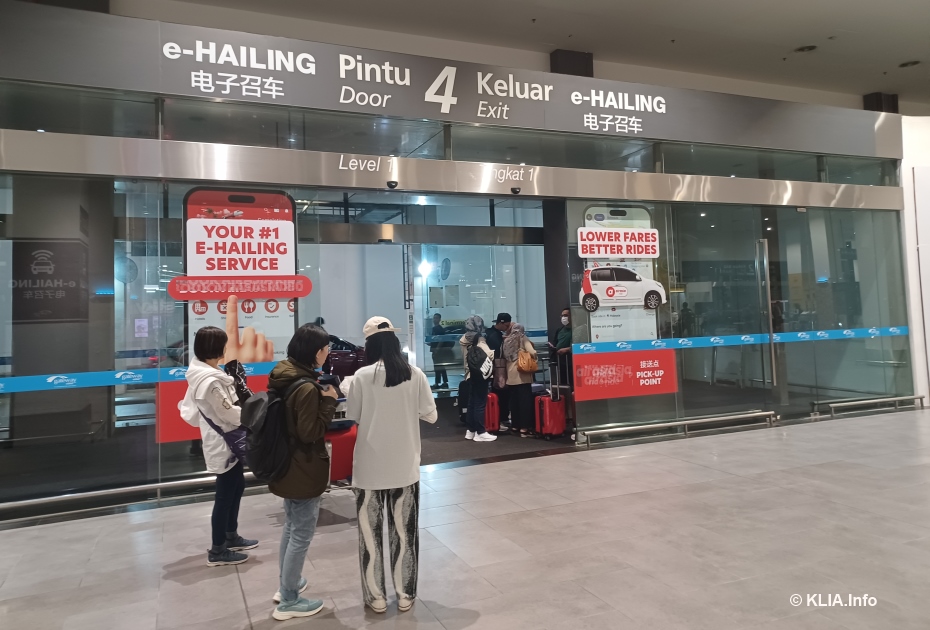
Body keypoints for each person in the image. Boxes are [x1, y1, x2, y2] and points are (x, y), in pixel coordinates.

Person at [346, 316, 438, 613]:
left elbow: (354, 415)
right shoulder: (415, 374)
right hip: (405, 466)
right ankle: (406, 594)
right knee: (405, 534)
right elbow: (431, 415)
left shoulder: (361, 377)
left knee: (370, 537)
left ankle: (376, 597)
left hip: (369, 468)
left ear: (369, 345)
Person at [266, 323, 339, 621]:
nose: (328, 353)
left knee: (292, 526)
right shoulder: (307, 387)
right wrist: (330, 401)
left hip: (285, 462)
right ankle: (290, 600)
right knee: (301, 533)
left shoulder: (284, 374)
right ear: (316, 352)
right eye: (326, 349)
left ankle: (288, 584)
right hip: (302, 465)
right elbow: (310, 432)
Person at [179, 326, 258, 568]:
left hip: (225, 440)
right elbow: (228, 413)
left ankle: (230, 535)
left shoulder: (204, 374)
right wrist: (253, 414)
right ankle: (218, 549)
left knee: (236, 487)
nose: (226, 349)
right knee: (225, 494)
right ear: (216, 348)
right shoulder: (210, 381)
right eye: (223, 344)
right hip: (223, 442)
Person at [459, 315, 497, 442]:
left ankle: (470, 431)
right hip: (480, 374)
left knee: (471, 403)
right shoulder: (479, 338)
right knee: (480, 403)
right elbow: (488, 354)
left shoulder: (464, 338)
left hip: (469, 373)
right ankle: (480, 432)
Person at [502, 323, 538, 437]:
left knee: (514, 402)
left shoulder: (506, 340)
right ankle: (524, 427)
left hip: (510, 375)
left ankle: (515, 425)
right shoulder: (522, 338)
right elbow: (533, 352)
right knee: (524, 402)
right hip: (522, 374)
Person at [487, 313, 512, 431]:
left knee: (497, 393)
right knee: (501, 393)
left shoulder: (490, 333)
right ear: (501, 323)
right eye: (506, 325)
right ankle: (500, 418)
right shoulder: (494, 337)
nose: (507, 328)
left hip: (492, 370)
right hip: (498, 370)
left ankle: (499, 418)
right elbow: (501, 353)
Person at [551, 307, 573, 388]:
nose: (564, 318)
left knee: (572, 382)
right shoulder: (560, 330)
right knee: (563, 383)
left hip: (572, 361)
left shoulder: (576, 329)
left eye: (566, 315)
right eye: (562, 316)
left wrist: (567, 349)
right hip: (561, 362)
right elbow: (555, 342)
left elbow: (579, 345)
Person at [429, 313, 450, 389]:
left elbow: (441, 340)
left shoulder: (438, 329)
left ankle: (437, 383)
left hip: (437, 351)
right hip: (437, 350)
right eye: (434, 318)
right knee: (441, 367)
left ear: (439, 319)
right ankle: (444, 382)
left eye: (436, 318)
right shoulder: (436, 329)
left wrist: (437, 349)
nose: (435, 319)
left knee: (437, 367)